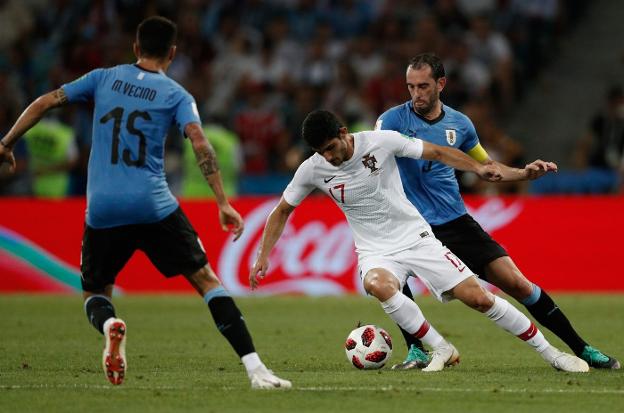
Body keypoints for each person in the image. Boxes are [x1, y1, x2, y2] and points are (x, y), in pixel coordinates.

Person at [0, 16, 291, 389]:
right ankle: (256, 370)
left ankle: (110, 326)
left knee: (94, 292)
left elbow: (45, 102)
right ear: (172, 53)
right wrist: (222, 201)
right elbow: (201, 143)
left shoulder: (101, 78)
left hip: (103, 208)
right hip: (153, 204)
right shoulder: (176, 95)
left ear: (135, 48)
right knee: (206, 281)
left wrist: (7, 142)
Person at [249, 109, 589, 373]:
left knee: (480, 299)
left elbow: (438, 153)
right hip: (375, 251)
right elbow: (281, 211)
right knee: (377, 285)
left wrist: (478, 168)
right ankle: (441, 348)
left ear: (343, 133)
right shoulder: (312, 169)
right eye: (321, 153)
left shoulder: (380, 142)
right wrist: (263, 256)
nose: (329, 158)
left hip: (417, 237)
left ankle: (553, 354)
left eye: (331, 148)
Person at [376, 52, 620, 370]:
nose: (416, 94)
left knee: (518, 283)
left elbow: (488, 167)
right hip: (409, 223)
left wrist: (524, 173)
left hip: (454, 222)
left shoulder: (460, 124)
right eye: (410, 87)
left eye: (423, 86)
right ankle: (416, 350)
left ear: (441, 84)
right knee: (393, 278)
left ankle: (582, 348)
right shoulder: (392, 120)